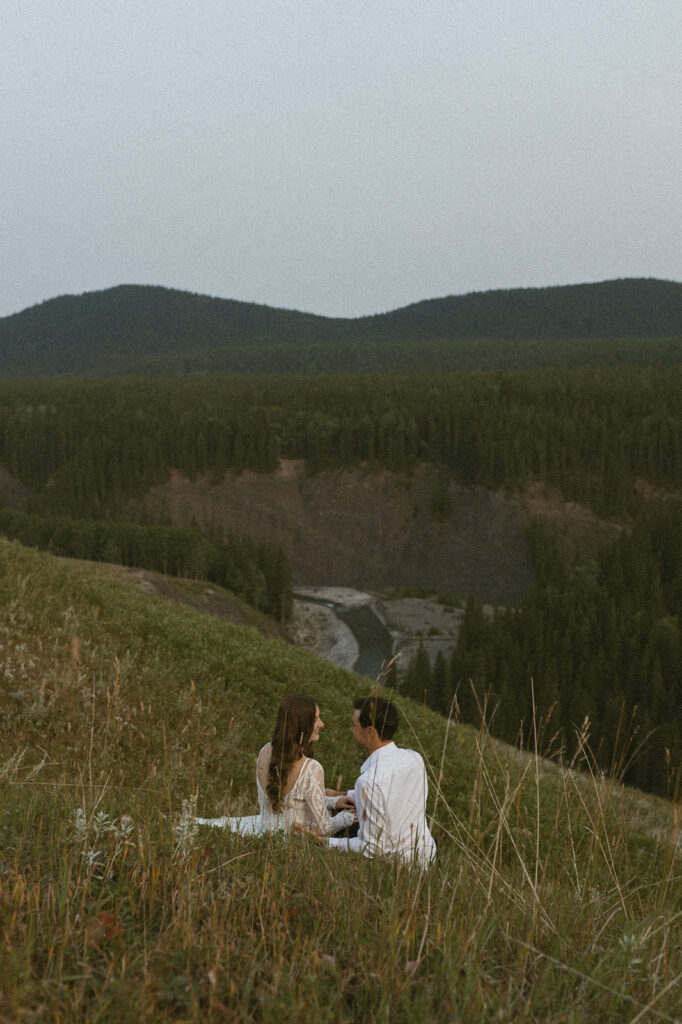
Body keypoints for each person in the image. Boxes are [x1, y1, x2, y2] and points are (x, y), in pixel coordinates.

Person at [196, 693, 356, 837]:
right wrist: (345, 818)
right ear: (301, 724)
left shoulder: (265, 751)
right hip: (289, 843)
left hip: (263, 833)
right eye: (315, 719)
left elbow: (291, 803)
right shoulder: (312, 768)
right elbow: (322, 828)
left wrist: (333, 801)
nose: (321, 724)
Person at [327, 695, 436, 867]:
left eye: (354, 725)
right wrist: (341, 794)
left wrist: (324, 841)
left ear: (370, 731)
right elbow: (392, 795)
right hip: (426, 856)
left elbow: (371, 849)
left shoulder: (368, 781)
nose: (351, 729)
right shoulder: (415, 758)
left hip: (397, 868)